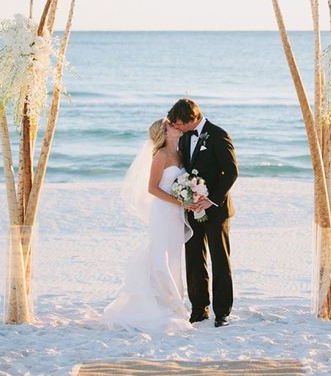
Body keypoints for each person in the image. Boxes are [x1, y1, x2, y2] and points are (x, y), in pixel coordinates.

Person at [102, 118, 197, 332]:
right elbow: (152, 189)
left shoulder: (180, 153)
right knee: (160, 257)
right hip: (163, 211)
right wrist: (181, 201)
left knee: (172, 256)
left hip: (176, 213)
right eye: (172, 124)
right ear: (165, 131)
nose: (177, 125)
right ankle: (164, 303)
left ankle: (174, 301)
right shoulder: (161, 155)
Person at [167, 98, 238, 327]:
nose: (177, 127)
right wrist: (187, 196)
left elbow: (231, 172)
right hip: (191, 208)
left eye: (179, 123)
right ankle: (199, 310)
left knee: (220, 260)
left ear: (192, 118)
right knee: (194, 259)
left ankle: (222, 313)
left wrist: (211, 200)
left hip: (216, 210)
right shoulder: (184, 136)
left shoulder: (218, 134)